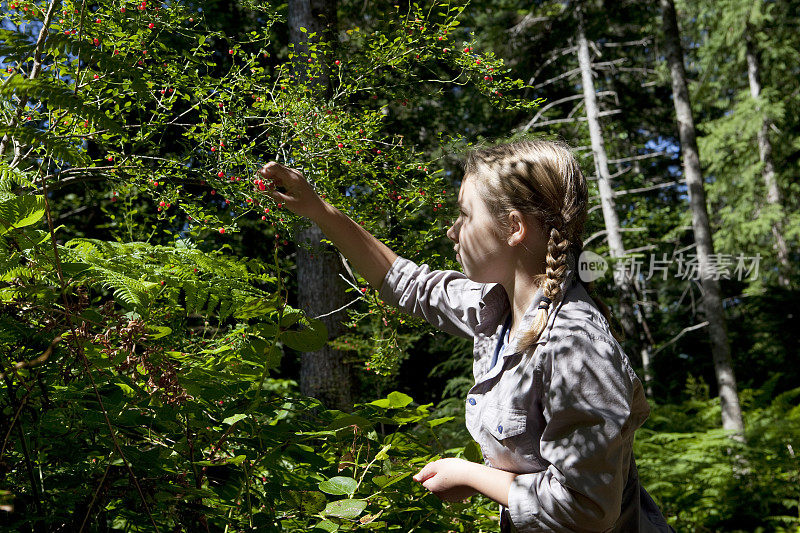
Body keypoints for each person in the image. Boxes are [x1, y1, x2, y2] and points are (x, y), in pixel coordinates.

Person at [256, 140, 673, 532]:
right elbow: (406, 283)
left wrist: (473, 476)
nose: (453, 232)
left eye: (465, 215)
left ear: (513, 227)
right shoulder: (497, 306)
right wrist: (317, 209)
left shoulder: (575, 344)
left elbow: (587, 510)